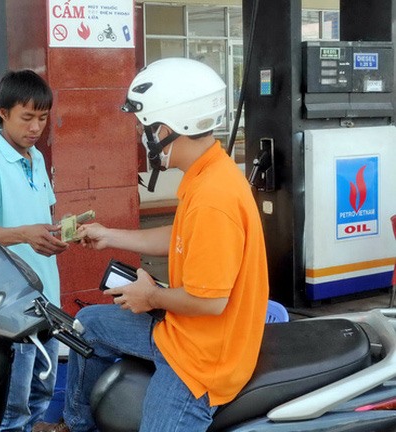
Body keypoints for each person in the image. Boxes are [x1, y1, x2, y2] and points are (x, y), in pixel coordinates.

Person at [33, 58, 269, 432]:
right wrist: (109, 235)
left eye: (146, 129)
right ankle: (77, 425)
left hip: (201, 360)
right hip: (180, 331)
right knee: (87, 325)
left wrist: (151, 297)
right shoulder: (207, 171)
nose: (144, 139)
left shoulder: (214, 197)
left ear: (168, 128)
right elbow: (179, 238)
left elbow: (211, 302)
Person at [0, 69, 69, 432]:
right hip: (12, 308)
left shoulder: (36, 157)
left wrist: (62, 233)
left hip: (46, 299)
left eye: (43, 118)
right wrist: (25, 234)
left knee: (41, 393)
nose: (36, 127)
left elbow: (41, 216)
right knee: (14, 408)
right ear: (3, 113)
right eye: (27, 117)